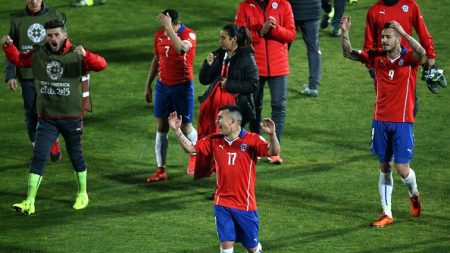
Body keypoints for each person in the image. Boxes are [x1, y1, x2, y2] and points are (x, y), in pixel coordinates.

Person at [2, 19, 107, 215]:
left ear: (65, 35)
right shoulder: (38, 54)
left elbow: (102, 65)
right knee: (39, 156)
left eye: (56, 34)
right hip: (47, 118)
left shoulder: (77, 54)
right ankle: (29, 201)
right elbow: (19, 60)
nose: (53, 38)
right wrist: (8, 46)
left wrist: (87, 55)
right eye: (49, 35)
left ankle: (82, 194)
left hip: (72, 118)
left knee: (76, 156)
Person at [341, 16, 425, 227]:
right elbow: (348, 53)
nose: (384, 41)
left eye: (388, 37)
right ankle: (386, 213)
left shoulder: (409, 59)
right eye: (382, 37)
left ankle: (413, 193)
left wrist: (405, 34)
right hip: (380, 121)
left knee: (402, 168)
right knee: (384, 165)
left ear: (398, 40)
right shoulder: (376, 57)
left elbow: (422, 52)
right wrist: (344, 33)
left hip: (403, 121)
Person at [168, 104, 280, 253]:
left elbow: (273, 151)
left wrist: (272, 135)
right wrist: (177, 130)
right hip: (222, 202)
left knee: (252, 248)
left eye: (220, 118)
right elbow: (190, 148)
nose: (216, 122)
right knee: (226, 246)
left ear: (233, 121)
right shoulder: (214, 140)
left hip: (245, 205)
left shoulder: (252, 139)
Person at [235, 0, 296, 164]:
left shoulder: (283, 5)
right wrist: (260, 32)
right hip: (254, 66)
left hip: (279, 65)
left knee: (279, 105)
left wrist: (274, 29)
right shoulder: (244, 7)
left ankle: (275, 151)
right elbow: (239, 39)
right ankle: (256, 146)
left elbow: (291, 34)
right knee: (253, 105)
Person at [5, 0, 65, 161]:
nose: (33, 1)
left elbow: (63, 44)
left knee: (51, 111)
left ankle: (53, 141)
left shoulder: (54, 15)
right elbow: (11, 47)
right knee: (31, 112)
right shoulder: (16, 19)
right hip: (26, 74)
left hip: (49, 73)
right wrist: (10, 74)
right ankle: (37, 148)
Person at [144, 9, 198, 180]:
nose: (164, 29)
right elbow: (156, 58)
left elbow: (181, 49)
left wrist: (168, 28)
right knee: (161, 126)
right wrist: (148, 85)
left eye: (167, 25)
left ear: (174, 23)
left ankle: (195, 156)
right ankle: (161, 169)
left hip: (182, 87)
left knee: (185, 126)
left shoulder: (189, 35)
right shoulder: (159, 34)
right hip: (163, 86)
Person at [364, 0, 444, 94]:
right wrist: (370, 66)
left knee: (409, 101)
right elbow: (368, 42)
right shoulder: (374, 11)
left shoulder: (410, 5)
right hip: (383, 66)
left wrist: (431, 56)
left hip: (406, 63)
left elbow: (423, 32)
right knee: (385, 102)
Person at [198, 23, 258, 138]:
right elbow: (204, 80)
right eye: (220, 38)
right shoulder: (218, 55)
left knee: (231, 141)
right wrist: (208, 65)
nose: (220, 41)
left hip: (238, 107)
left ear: (234, 39)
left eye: (223, 38)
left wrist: (228, 84)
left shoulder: (246, 58)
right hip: (216, 108)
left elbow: (252, 84)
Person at [290, 0, 322, 97]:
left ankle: (273, 78)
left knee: (282, 46)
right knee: (314, 49)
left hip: (292, 10)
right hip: (313, 11)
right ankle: (313, 87)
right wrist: (328, 8)